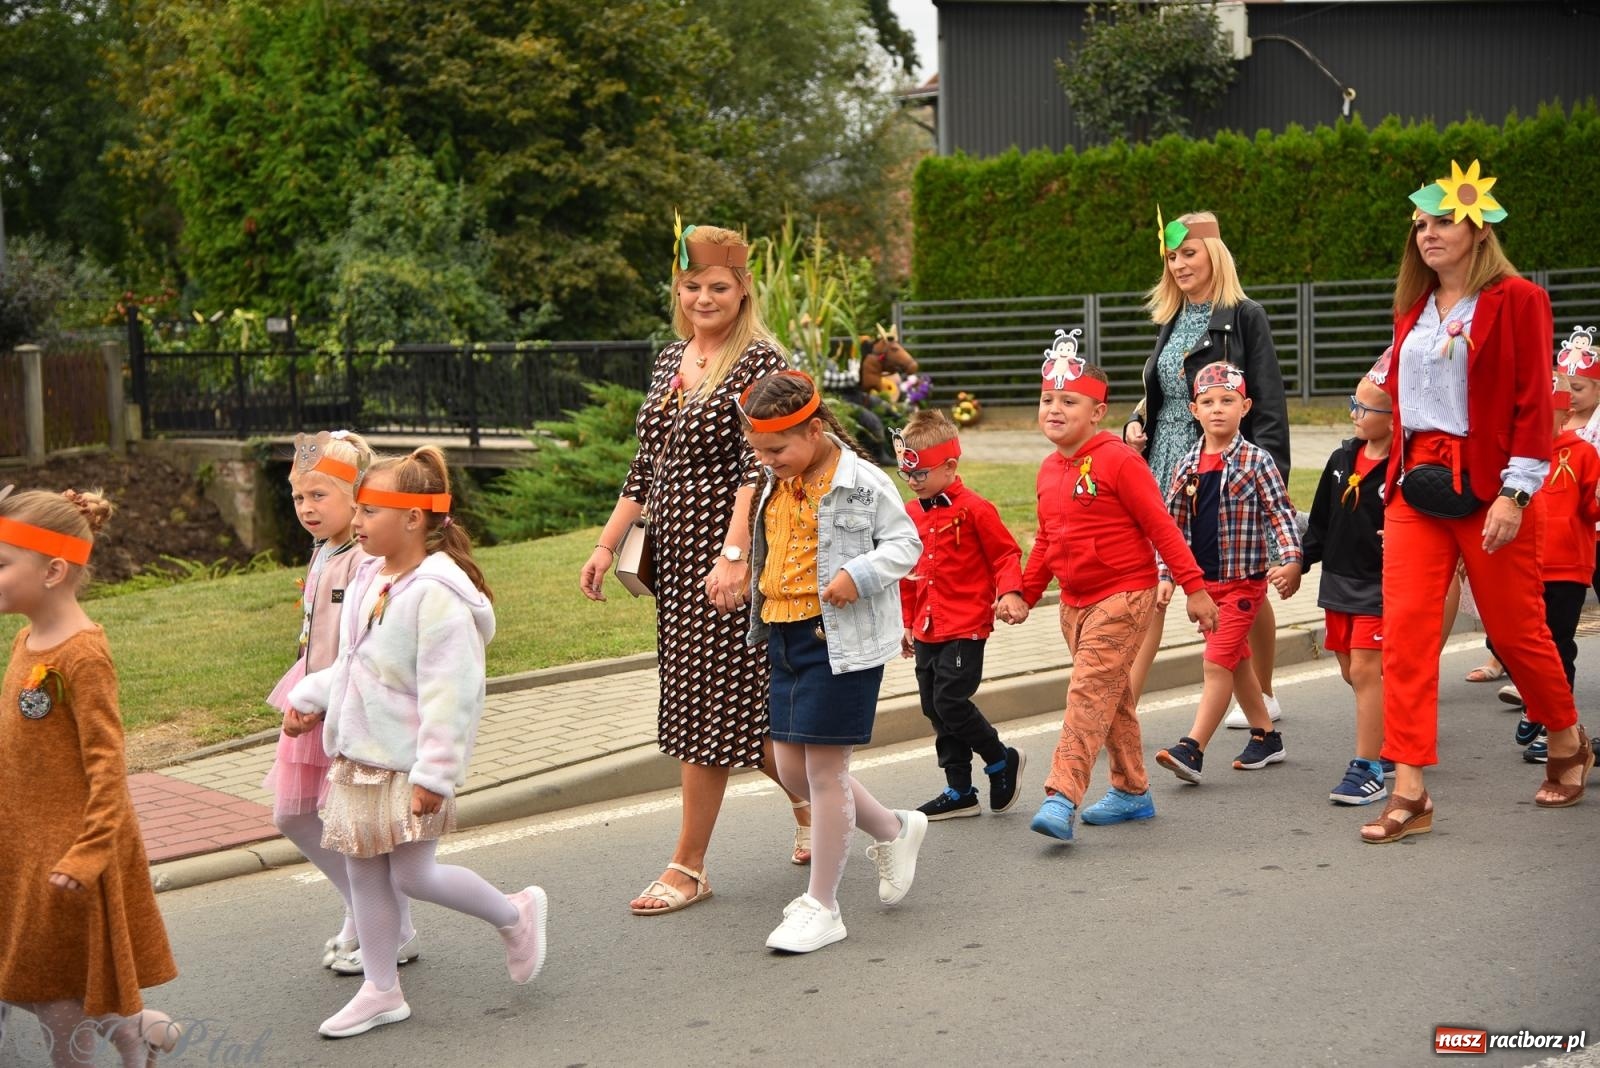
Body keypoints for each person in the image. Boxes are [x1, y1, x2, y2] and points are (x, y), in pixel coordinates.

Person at [580, 222, 811, 916]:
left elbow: (756, 467)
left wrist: (735, 554)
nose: (703, 297)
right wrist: (605, 546)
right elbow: (646, 465)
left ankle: (688, 866)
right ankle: (828, 809)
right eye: (691, 286)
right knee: (733, 710)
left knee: (712, 707)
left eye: (717, 286)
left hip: (728, 559)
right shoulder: (669, 361)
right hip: (678, 565)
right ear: (677, 291)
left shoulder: (760, 361)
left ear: (742, 289)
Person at [1361, 160, 1593, 844]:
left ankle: (1566, 734)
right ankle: (1410, 789)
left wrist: (1516, 494)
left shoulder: (1519, 300)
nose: (1428, 235)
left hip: (1493, 483)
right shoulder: (1412, 307)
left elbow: (1532, 404)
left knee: (1516, 632)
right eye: (1420, 225)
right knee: (1405, 634)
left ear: (1479, 229)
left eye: (1443, 222)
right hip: (1416, 485)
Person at [289, 448, 545, 1037]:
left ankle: (515, 912)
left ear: (412, 519)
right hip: (361, 753)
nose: (356, 521)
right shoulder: (371, 577)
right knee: (363, 872)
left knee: (412, 876)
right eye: (357, 508)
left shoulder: (437, 594)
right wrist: (311, 697)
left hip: (408, 763)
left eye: (370, 510)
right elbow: (361, 664)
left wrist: (435, 773)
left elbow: (451, 693)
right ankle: (381, 990)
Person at [739, 370, 926, 954]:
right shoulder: (777, 478)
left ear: (815, 430)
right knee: (791, 770)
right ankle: (895, 828)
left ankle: (822, 906)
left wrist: (857, 574)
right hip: (784, 637)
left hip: (838, 642)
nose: (767, 461)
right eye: (759, 450)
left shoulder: (863, 482)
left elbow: (906, 544)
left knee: (823, 774)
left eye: (777, 449)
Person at [0, 486, 182, 1066]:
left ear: (53, 571)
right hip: (23, 845)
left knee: (54, 989)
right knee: (27, 975)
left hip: (68, 855)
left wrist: (88, 853)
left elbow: (108, 767)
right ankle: (136, 1031)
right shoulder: (25, 639)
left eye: (1, 563)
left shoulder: (83, 656)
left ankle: (125, 1036)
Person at [1011, 339, 1218, 842]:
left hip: (1124, 596)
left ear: (1098, 412)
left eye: (1069, 401)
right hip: (1073, 603)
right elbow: (1046, 542)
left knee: (1087, 693)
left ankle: (1062, 794)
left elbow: (1162, 528)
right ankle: (1131, 791)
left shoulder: (1120, 461)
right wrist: (1024, 593)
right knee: (1112, 695)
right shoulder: (1048, 469)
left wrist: (1194, 588)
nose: (1054, 409)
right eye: (1047, 399)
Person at [1122, 210, 1292, 734]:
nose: (1179, 265)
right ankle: (1120, 708)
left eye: (1189, 253)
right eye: (1172, 257)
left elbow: (1268, 404)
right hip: (1163, 466)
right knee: (1151, 584)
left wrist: (1268, 482)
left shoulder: (1245, 316)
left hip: (1225, 469)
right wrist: (1134, 423)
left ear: (1214, 254)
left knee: (1240, 582)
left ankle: (1262, 692)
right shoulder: (1171, 317)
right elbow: (1161, 392)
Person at [263, 430, 419, 977]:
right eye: (298, 497)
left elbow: (362, 643)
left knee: (354, 828)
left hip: (347, 698)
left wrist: (323, 696)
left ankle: (386, 926)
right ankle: (365, 912)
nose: (306, 507)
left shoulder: (363, 559)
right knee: (296, 815)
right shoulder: (325, 548)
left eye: (318, 495)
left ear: (357, 496)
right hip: (314, 688)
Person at [1152, 361, 1303, 784]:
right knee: (1236, 663)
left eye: (1227, 400)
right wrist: (1166, 575)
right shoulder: (1187, 464)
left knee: (1217, 663)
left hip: (1243, 585)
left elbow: (1281, 514)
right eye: (1207, 402)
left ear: (1245, 407)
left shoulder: (1256, 461)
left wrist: (1291, 559)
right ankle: (1267, 737)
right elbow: (1172, 527)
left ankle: (1192, 748)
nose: (1217, 409)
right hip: (1204, 589)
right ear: (1194, 410)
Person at [893, 409, 1028, 820]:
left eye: (921, 474)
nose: (913, 482)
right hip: (926, 627)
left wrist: (1010, 592)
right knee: (933, 708)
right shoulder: (911, 513)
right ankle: (960, 790)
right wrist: (906, 622)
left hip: (965, 624)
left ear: (950, 466)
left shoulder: (976, 509)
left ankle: (1000, 758)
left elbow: (1005, 555)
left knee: (950, 701)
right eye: (906, 474)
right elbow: (906, 573)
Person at [1299, 360, 1394, 805]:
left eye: (1365, 408)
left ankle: (1368, 767)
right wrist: (1297, 563)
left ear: (1394, 419)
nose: (1354, 413)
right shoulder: (1340, 460)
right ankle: (1391, 731)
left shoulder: (1404, 469)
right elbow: (1319, 523)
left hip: (1379, 587)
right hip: (1336, 585)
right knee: (1348, 670)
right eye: (1353, 403)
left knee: (1364, 670)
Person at [1504, 375, 1600, 762]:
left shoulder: (1583, 453)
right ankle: (1535, 704)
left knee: (1558, 647)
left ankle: (1556, 729)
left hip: (1567, 568)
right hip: (1522, 564)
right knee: (1510, 642)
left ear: (1565, 414)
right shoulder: (1513, 456)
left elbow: (1591, 509)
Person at [1556, 324, 1600, 602]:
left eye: (1578, 387)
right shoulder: (1555, 422)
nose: (1570, 394)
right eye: (1565, 387)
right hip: (1564, 521)